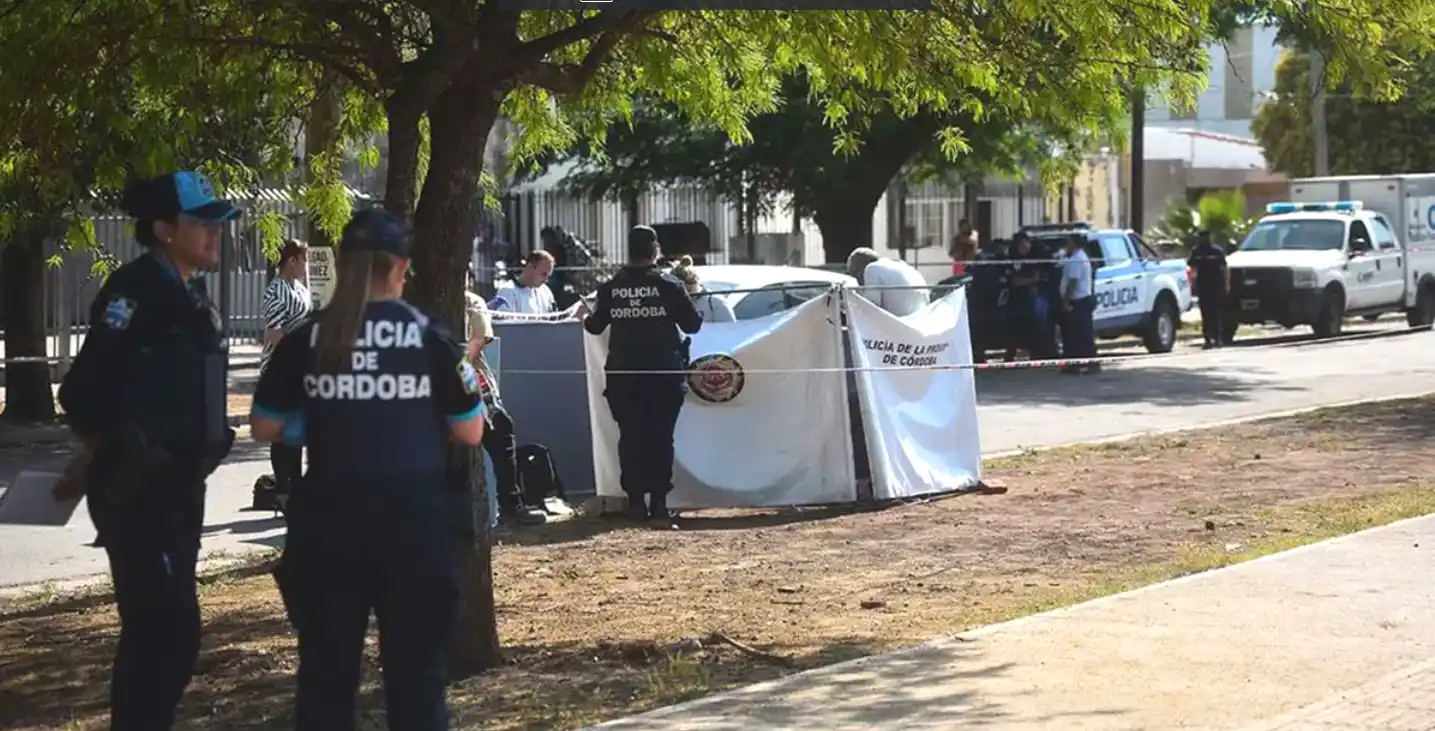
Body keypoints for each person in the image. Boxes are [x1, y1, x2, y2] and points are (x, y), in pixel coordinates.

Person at [249, 208, 486, 731]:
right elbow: (471, 430)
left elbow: (262, 425)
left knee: (326, 682)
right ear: (401, 267)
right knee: (418, 682)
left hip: (328, 528)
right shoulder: (432, 337)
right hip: (414, 529)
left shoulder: (311, 335)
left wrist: (314, 420)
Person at [52, 171, 239, 731]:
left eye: (217, 224)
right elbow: (83, 392)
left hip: (181, 491)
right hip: (141, 494)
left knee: (171, 639)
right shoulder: (134, 292)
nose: (215, 234)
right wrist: (104, 454)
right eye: (201, 223)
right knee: (163, 635)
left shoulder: (190, 291)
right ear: (163, 230)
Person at [580, 225, 702, 526]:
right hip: (664, 374)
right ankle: (659, 505)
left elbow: (595, 327)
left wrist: (586, 317)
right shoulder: (670, 286)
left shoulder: (611, 288)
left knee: (631, 438)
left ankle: (635, 504)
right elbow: (693, 326)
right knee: (661, 438)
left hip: (624, 376)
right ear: (655, 249)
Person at [465, 273, 549, 525]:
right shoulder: (471, 302)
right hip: (468, 379)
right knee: (500, 432)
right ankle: (511, 504)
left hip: (425, 380)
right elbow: (479, 340)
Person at [257, 240, 312, 507]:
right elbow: (273, 332)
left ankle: (296, 483)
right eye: (303, 260)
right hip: (281, 369)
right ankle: (283, 488)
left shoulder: (300, 289)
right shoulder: (276, 291)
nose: (306, 267)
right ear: (291, 261)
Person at [1001, 233, 1049, 360]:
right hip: (1015, 299)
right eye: (1022, 245)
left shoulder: (1034, 258)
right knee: (1012, 327)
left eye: (1027, 244)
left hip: (1031, 298)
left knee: (1034, 325)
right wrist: (1031, 280)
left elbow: (1040, 276)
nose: (1026, 247)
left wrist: (1031, 280)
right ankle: (1010, 354)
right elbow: (1014, 281)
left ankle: (1035, 354)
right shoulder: (1011, 259)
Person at [845, 247, 928, 317]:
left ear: (859, 269)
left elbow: (871, 308)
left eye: (853, 273)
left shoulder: (871, 269)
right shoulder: (901, 265)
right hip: (919, 319)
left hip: (900, 323)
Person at [1058, 234, 1099, 374]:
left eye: (1069, 242)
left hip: (1078, 301)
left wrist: (1066, 300)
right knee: (1076, 334)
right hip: (1081, 300)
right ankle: (1074, 364)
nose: (1067, 245)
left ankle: (1089, 364)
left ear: (1075, 243)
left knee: (1080, 335)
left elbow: (1073, 282)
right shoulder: (1080, 257)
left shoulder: (1077, 259)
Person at [1187, 229, 1230, 348]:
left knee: (1216, 313)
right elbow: (1192, 269)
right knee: (1205, 314)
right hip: (1203, 286)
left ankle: (1218, 339)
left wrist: (1226, 285)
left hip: (1216, 286)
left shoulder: (1217, 251)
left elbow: (1225, 269)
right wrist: (1191, 284)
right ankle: (1207, 339)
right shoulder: (1196, 251)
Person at [670, 255, 737, 323]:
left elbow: (730, 329)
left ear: (696, 283)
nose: (687, 295)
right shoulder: (674, 305)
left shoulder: (716, 303)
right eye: (680, 292)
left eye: (689, 290)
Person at [489, 249, 557, 315]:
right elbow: (506, 325)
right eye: (543, 274)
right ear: (530, 267)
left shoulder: (546, 291)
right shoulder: (506, 292)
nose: (546, 280)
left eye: (548, 276)